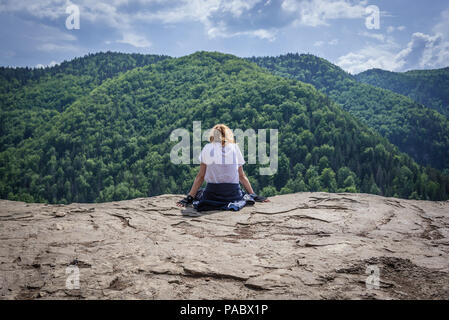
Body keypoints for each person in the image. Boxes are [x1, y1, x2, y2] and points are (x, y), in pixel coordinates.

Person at [176, 124, 269, 211]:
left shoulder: (207, 148)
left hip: (212, 195)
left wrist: (189, 198)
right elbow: (242, 176)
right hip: (233, 195)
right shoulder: (235, 148)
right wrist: (253, 195)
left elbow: (200, 177)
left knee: (199, 193)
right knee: (243, 194)